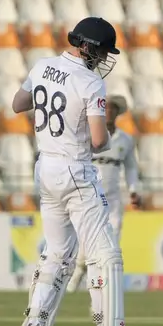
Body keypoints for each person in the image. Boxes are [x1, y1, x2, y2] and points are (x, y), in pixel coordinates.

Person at [14, 17, 148, 326]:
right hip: (76, 170)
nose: (103, 58)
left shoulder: (43, 65)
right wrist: (87, 138)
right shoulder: (90, 82)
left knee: (57, 254)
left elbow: (18, 104)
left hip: (45, 168)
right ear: (86, 46)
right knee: (105, 254)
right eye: (101, 50)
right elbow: (101, 141)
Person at [67, 95, 141, 292]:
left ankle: (104, 288)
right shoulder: (88, 134)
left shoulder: (125, 139)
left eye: (113, 109)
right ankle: (76, 278)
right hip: (89, 196)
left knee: (112, 243)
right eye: (106, 108)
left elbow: (131, 167)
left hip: (113, 198)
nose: (109, 112)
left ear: (117, 113)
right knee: (86, 244)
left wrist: (134, 190)